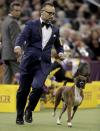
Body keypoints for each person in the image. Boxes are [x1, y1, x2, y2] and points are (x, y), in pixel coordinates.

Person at [14, 2, 64, 125]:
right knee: (23, 91)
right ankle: (19, 114)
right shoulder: (31, 24)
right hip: (28, 62)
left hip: (44, 65)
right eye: (50, 13)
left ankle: (29, 110)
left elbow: (59, 45)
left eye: (53, 13)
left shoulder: (55, 29)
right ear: (42, 12)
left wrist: (61, 52)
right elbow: (22, 36)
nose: (52, 15)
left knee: (37, 87)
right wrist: (18, 46)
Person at [1, 1, 21, 84]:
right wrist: (18, 55)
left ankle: (4, 96)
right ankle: (22, 96)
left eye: (19, 10)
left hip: (5, 54)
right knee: (20, 75)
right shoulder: (13, 22)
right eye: (16, 10)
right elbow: (15, 40)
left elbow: (3, 38)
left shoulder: (5, 21)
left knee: (7, 77)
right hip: (13, 54)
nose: (18, 12)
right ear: (11, 11)